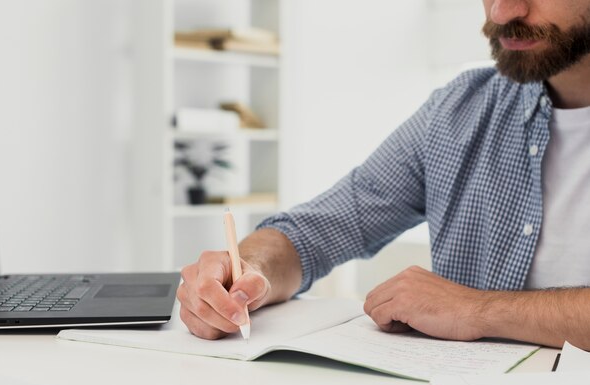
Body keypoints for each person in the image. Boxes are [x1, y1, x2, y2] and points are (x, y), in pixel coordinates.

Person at [176, 0, 590, 349]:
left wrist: (478, 310)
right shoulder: (460, 108)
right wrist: (248, 272)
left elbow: (474, 311)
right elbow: (316, 230)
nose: (502, 11)